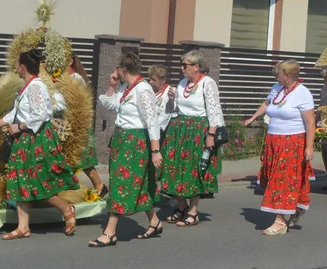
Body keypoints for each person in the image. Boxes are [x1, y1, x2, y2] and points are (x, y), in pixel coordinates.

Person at [0, 50, 79, 240]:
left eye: (18, 64)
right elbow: (16, 113)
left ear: (22, 67)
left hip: (36, 138)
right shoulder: (27, 87)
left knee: (37, 181)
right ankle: (23, 227)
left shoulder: (36, 86)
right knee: (20, 181)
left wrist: (18, 127)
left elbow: (40, 114)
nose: (16, 68)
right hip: (24, 139)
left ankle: (66, 208)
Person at [89, 53, 164, 248]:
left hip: (135, 142)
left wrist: (155, 151)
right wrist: (112, 86)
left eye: (117, 69)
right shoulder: (126, 88)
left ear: (123, 69)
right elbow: (110, 106)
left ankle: (110, 231)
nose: (116, 72)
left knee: (122, 184)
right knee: (138, 184)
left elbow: (152, 121)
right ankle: (154, 222)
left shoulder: (143, 90)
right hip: (123, 139)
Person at [243, 60, 316, 235]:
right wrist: (253, 118)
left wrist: (309, 146)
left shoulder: (303, 93)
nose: (276, 77)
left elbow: (310, 121)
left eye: (279, 74)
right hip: (273, 141)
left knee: (282, 181)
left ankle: (280, 221)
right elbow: (267, 104)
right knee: (273, 179)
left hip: (292, 142)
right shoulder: (277, 89)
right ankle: (296, 207)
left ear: (288, 75)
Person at [160, 51, 224, 228]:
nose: (182, 68)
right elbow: (173, 110)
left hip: (198, 131)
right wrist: (172, 100)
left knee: (193, 170)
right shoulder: (182, 84)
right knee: (174, 167)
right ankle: (181, 206)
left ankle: (193, 211)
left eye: (185, 65)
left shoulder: (207, 83)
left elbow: (214, 110)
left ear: (196, 67)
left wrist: (210, 135)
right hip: (179, 129)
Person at [58, 53, 106, 196]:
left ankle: (99, 186)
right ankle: (96, 186)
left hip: (77, 124)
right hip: (68, 124)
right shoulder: (66, 79)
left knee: (83, 160)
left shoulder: (76, 79)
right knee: (77, 160)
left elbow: (75, 103)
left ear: (71, 61)